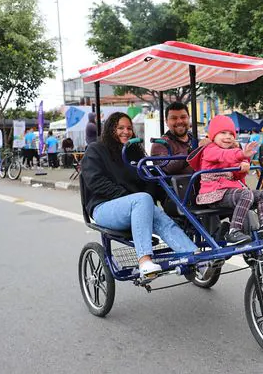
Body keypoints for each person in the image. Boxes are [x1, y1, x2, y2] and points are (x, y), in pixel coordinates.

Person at [81, 112, 201, 278]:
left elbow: (148, 180)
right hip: (103, 207)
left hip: (136, 205)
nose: (126, 132)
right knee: (143, 200)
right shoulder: (96, 149)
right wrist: (128, 197)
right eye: (120, 128)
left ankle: (195, 257)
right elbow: (95, 181)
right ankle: (144, 260)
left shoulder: (134, 151)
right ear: (110, 129)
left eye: (129, 128)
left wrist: (154, 199)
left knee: (163, 220)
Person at [191, 115, 263, 245]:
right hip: (212, 194)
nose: (228, 136)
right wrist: (241, 154)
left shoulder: (231, 151)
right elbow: (224, 156)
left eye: (231, 133)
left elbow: (236, 176)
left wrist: (242, 168)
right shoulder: (210, 150)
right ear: (213, 135)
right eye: (223, 133)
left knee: (262, 194)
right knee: (246, 194)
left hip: (228, 192)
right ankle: (234, 231)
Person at [150, 102, 198, 175]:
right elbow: (167, 167)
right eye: (174, 118)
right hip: (179, 185)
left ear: (189, 118)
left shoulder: (195, 140)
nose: (179, 121)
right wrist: (192, 151)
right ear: (166, 121)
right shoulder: (160, 144)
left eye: (183, 117)